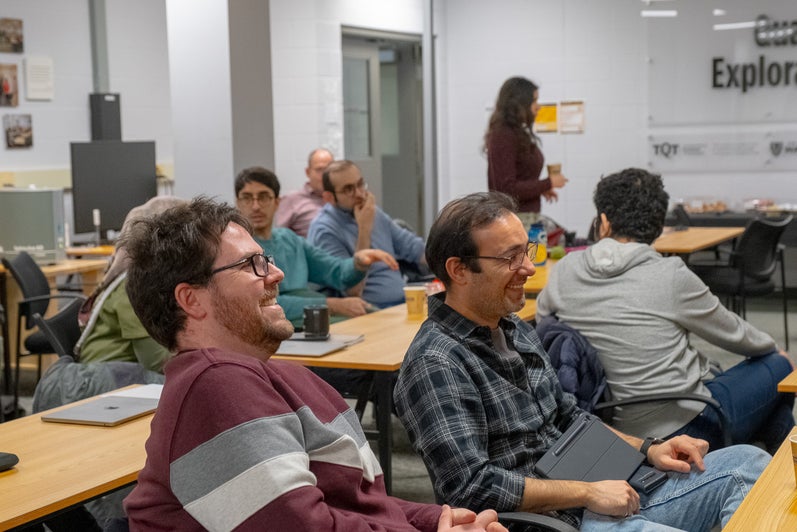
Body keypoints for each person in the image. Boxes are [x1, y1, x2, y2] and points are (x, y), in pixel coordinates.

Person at [121, 197, 507, 532]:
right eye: (250, 264)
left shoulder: (286, 377)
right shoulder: (213, 384)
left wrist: (440, 519)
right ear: (191, 300)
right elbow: (302, 528)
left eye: (266, 259)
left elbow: (360, 504)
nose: (276, 273)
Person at [393, 191, 770, 531]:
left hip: (600, 489)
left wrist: (648, 448)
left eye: (528, 251)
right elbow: (471, 487)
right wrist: (587, 492)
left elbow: (568, 416)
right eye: (511, 258)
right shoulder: (435, 362)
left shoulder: (513, 328)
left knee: (749, 463)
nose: (527, 267)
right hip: (554, 520)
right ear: (459, 270)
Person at [536, 168, 794, 453]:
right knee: (781, 368)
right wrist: (775, 350)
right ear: (658, 227)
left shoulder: (564, 272)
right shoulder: (670, 276)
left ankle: (769, 460)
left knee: (772, 411)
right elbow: (736, 335)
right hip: (687, 428)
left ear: (604, 222)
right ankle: (773, 464)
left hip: (611, 432)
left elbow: (544, 330)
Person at [234, 165, 398, 327]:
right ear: (237, 203)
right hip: (282, 327)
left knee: (376, 322)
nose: (255, 206)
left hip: (312, 318)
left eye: (263, 197)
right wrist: (331, 305)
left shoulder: (289, 239)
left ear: (277, 202)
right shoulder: (238, 250)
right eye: (247, 198)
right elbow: (261, 303)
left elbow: (335, 271)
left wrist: (359, 262)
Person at [308, 160, 427, 308]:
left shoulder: (372, 212)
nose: (359, 194)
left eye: (360, 184)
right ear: (329, 198)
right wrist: (364, 229)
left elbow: (414, 248)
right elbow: (353, 291)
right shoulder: (324, 229)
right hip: (368, 309)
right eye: (348, 189)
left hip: (402, 303)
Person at [485, 76, 568, 229]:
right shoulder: (503, 134)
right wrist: (548, 183)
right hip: (514, 222)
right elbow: (506, 189)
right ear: (520, 104)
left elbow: (518, 181)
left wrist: (541, 188)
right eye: (534, 101)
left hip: (525, 219)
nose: (539, 107)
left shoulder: (515, 133)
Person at [275, 147, 334, 236]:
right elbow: (278, 237)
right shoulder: (292, 200)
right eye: (319, 170)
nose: (325, 175)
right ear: (308, 172)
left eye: (329, 170)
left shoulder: (340, 199)